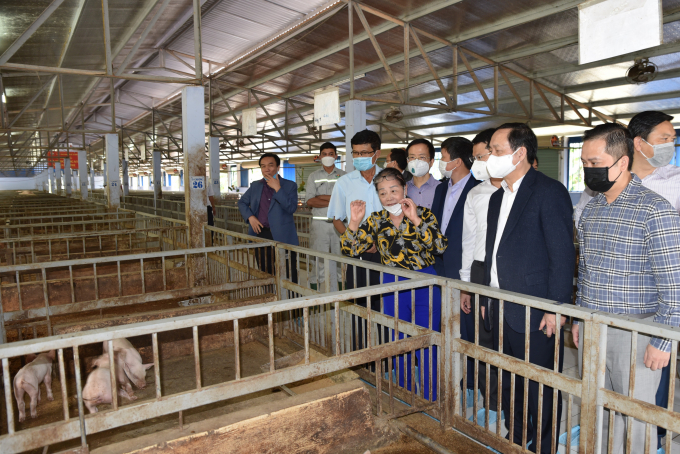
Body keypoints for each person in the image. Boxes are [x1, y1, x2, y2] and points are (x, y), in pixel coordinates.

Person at [573, 123, 680, 453]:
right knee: (595, 407)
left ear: (622, 162)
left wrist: (663, 340)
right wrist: (579, 318)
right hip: (594, 327)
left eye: (594, 162)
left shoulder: (655, 210)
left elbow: (675, 285)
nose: (589, 170)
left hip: (636, 333)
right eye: (584, 163)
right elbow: (586, 270)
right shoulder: (591, 207)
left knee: (635, 416)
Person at [485, 123, 575, 454]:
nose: (490, 157)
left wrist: (556, 308)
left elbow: (562, 256)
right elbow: (492, 251)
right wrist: (486, 293)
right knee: (510, 378)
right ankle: (517, 436)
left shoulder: (548, 192)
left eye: (495, 151)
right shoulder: (498, 197)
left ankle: (547, 445)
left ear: (520, 153)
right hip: (500, 304)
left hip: (536, 309)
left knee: (543, 384)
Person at [341, 167, 447, 400]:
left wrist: (416, 219)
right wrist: (354, 223)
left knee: (428, 339)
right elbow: (350, 250)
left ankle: (431, 397)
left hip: (425, 282)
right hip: (393, 283)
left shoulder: (425, 215)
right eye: (382, 193)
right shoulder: (376, 220)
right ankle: (403, 393)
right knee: (398, 340)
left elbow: (439, 247)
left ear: (405, 189)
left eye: (393, 190)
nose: (388, 197)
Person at [458, 128, 501, 414]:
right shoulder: (476, 192)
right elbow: (468, 239)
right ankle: (492, 401)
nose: (477, 163)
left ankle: (516, 406)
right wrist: (466, 283)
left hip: (512, 273)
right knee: (483, 341)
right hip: (480, 270)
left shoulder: (521, 191)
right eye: (474, 158)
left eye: (481, 156)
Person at [574, 111, 680, 226]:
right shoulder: (607, 176)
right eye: (664, 139)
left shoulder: (676, 180)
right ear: (639, 142)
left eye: (672, 139)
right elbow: (581, 215)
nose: (670, 145)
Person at [328, 129, 383, 347]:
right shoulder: (344, 183)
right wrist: (357, 243)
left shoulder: (388, 179)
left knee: (387, 311)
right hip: (358, 258)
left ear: (376, 154)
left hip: (388, 256)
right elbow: (337, 220)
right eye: (355, 153)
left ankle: (390, 361)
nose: (359, 158)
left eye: (364, 153)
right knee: (360, 311)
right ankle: (362, 360)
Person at [238, 153, 299, 283]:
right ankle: (270, 297)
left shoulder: (289, 186)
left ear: (277, 167)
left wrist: (278, 189)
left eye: (270, 165)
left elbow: (291, 208)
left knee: (288, 273)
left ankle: (292, 301)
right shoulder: (255, 185)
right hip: (261, 233)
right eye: (263, 166)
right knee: (265, 272)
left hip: (283, 236)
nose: (267, 169)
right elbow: (242, 202)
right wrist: (250, 217)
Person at [305, 142, 346, 292]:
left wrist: (321, 197)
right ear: (320, 156)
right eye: (324, 154)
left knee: (342, 260)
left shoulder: (343, 176)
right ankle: (314, 294)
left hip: (340, 224)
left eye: (331, 154)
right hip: (319, 225)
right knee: (317, 261)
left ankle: (344, 295)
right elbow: (310, 201)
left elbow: (345, 199)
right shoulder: (313, 176)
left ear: (335, 156)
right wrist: (335, 198)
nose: (327, 157)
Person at [406, 138, 441, 209]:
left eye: (422, 157)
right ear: (407, 161)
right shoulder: (403, 189)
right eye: (412, 157)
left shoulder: (441, 189)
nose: (416, 161)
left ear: (431, 161)